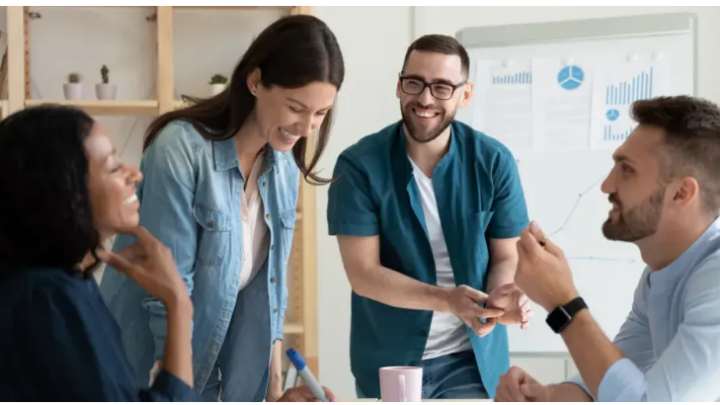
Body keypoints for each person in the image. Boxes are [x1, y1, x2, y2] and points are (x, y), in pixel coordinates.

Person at [98, 14, 343, 402]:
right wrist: (176, 393)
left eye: (321, 113)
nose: (307, 127)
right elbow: (167, 294)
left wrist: (274, 392)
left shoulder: (283, 168)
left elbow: (270, 294)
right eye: (296, 107)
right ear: (256, 81)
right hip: (148, 375)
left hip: (211, 379)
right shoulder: (180, 150)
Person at [327, 34, 532, 400]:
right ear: (399, 86)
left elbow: (506, 256)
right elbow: (364, 275)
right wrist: (448, 300)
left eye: (442, 87)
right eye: (414, 83)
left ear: (464, 95)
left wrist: (499, 297)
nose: (424, 98)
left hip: (472, 359)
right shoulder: (358, 166)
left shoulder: (494, 162)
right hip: (389, 361)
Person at [496, 95, 720, 402]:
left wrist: (563, 302)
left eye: (627, 169)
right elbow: (613, 385)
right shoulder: (659, 276)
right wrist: (546, 397)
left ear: (681, 193)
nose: (607, 185)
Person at [0, 105, 197, 401]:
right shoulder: (50, 298)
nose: (135, 175)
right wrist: (179, 304)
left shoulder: (58, 287)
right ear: (66, 194)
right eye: (114, 167)